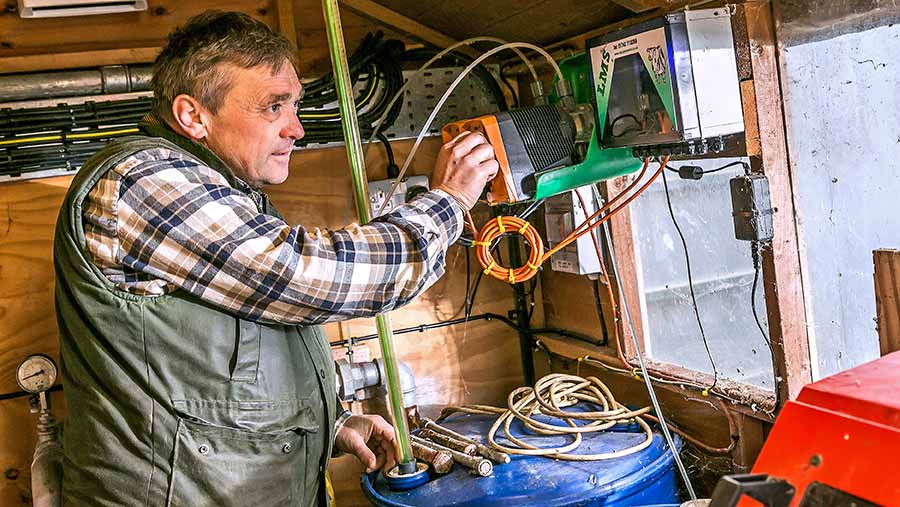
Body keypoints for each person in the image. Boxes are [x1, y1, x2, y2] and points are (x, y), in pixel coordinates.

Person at [53, 10, 498, 507]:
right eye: (274, 107)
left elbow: (214, 375)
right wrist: (449, 203)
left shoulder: (228, 193)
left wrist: (327, 424)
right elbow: (308, 275)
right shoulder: (143, 181)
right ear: (193, 116)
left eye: (296, 105)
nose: (297, 129)